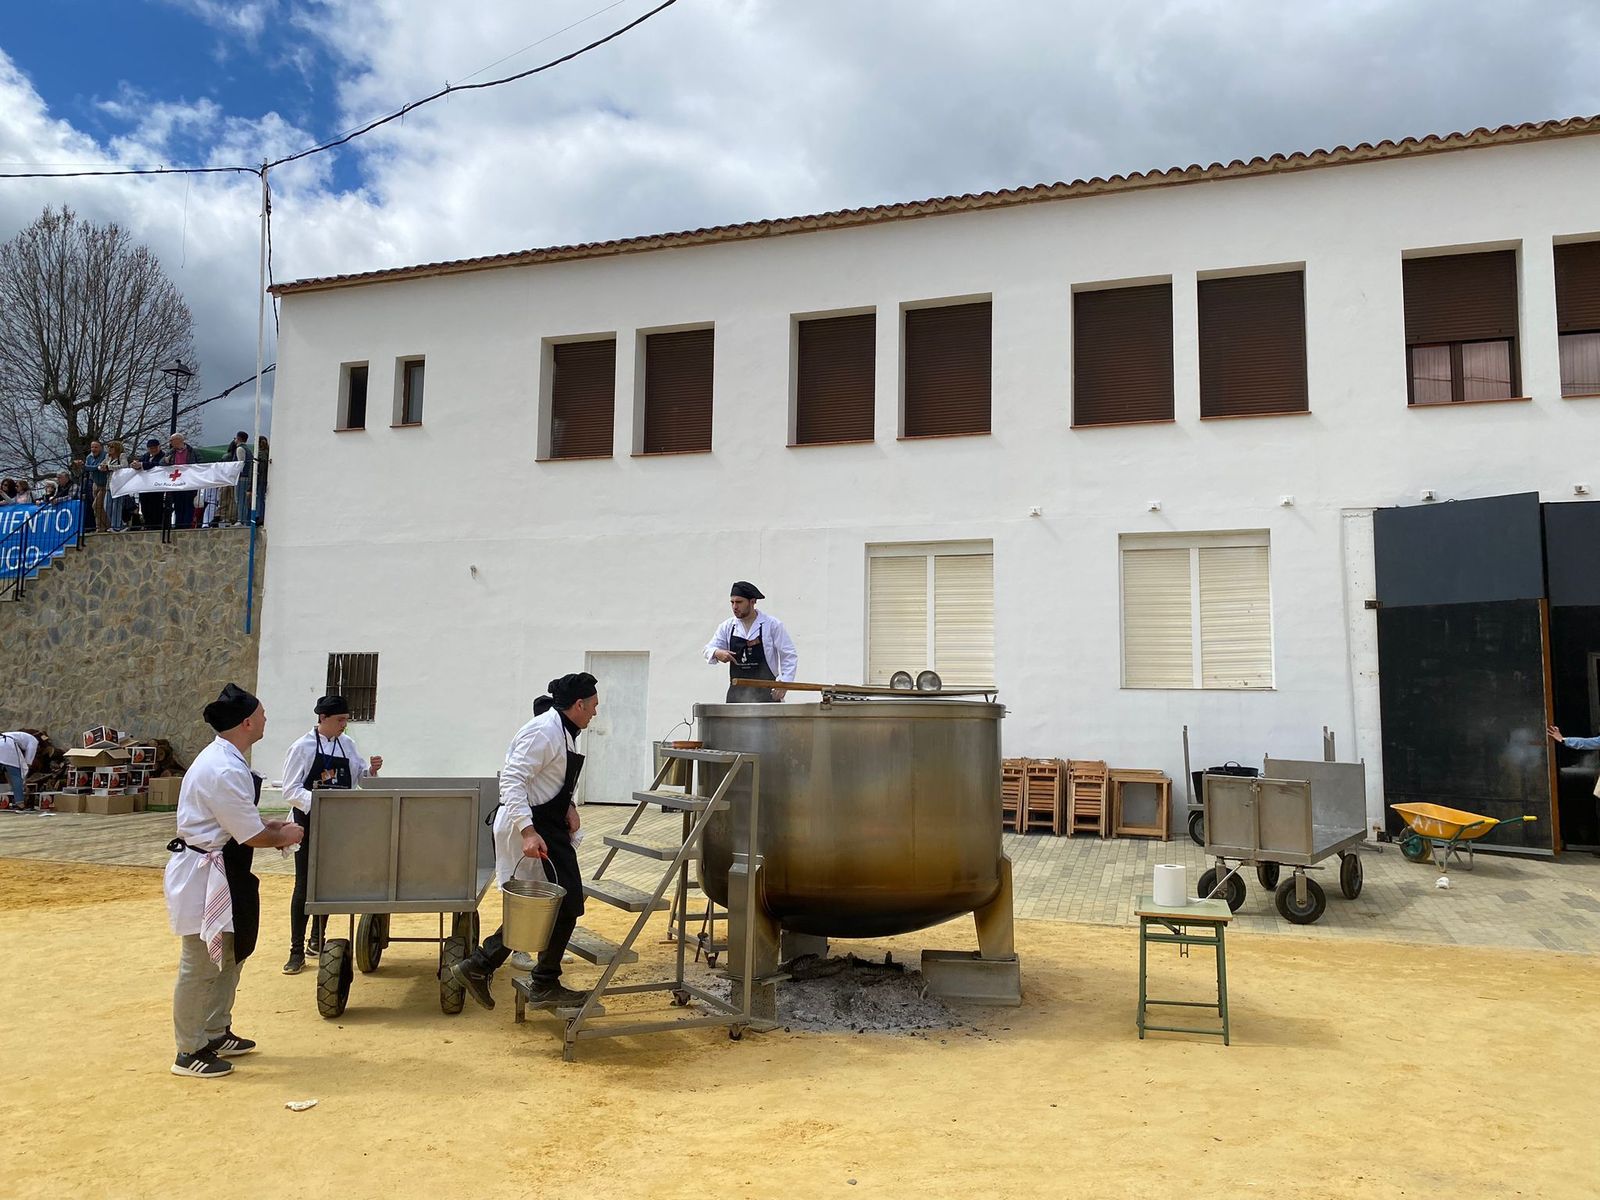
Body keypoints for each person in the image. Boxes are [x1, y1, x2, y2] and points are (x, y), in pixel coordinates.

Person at [163, 683, 302, 1078]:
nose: (265, 719)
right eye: (261, 714)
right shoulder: (222, 768)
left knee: (231, 954)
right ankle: (189, 1051)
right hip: (207, 872)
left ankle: (215, 1029)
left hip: (229, 867)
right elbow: (251, 835)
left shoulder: (229, 759)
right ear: (246, 722)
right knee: (200, 962)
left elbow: (241, 823)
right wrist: (282, 835)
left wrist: (268, 826)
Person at [451, 673, 599, 1011]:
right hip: (531, 827)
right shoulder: (543, 730)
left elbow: (546, 780)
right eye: (593, 706)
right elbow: (513, 780)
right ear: (578, 705)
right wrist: (527, 831)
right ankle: (540, 980)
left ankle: (481, 965)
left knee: (546, 906)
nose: (595, 713)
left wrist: (571, 806)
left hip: (547, 824)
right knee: (564, 902)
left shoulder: (563, 731)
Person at [278, 695, 384, 974]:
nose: (343, 726)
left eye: (346, 721)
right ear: (322, 718)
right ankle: (296, 950)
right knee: (304, 884)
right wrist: (322, 803)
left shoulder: (347, 745)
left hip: (339, 825)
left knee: (328, 883)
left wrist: (371, 771)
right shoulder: (301, 748)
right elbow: (290, 790)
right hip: (309, 823)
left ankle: (318, 937)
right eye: (339, 720)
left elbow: (359, 777)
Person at [703, 581, 797, 702]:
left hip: (767, 695)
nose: (734, 607)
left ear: (752, 602)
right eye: (732, 602)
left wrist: (784, 683)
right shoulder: (727, 626)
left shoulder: (772, 625)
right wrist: (717, 653)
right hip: (736, 696)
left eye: (739, 602)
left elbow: (789, 655)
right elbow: (708, 649)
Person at [0, 730, 40, 812]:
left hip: (2, 742)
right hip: (7, 745)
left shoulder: (17, 735)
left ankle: (16, 798)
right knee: (16, 775)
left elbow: (7, 772)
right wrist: (24, 781)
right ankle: (20, 804)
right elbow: (28, 762)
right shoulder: (34, 741)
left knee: (9, 771)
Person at [165, 433, 197, 530]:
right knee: (178, 505)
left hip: (189, 483)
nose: (170, 443)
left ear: (179, 440)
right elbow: (161, 463)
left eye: (172, 440)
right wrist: (166, 460)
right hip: (176, 483)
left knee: (188, 504)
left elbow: (200, 463)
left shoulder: (192, 451)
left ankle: (186, 526)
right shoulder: (170, 453)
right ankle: (178, 526)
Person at [222, 431, 252, 527]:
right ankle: (244, 519)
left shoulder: (240, 449)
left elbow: (240, 463)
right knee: (242, 499)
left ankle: (241, 519)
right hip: (246, 476)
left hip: (241, 477)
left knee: (239, 499)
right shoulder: (248, 449)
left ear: (238, 438)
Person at [137, 439, 164, 530]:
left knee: (156, 508)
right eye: (150, 448)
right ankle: (147, 525)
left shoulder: (163, 456)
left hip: (156, 487)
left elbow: (158, 464)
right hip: (144, 486)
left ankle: (156, 526)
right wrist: (135, 464)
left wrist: (142, 465)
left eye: (154, 447)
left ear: (158, 447)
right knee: (144, 507)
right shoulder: (145, 456)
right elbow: (139, 463)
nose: (153, 450)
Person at [85, 440, 109, 532]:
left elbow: (101, 466)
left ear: (100, 448)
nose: (93, 449)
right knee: (98, 508)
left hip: (104, 484)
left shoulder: (105, 455)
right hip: (95, 484)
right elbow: (87, 468)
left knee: (96, 506)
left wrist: (93, 467)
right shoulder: (89, 457)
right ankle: (99, 527)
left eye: (96, 447)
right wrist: (94, 467)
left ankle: (106, 525)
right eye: (92, 447)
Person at [104, 441, 128, 531]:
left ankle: (116, 526)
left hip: (118, 484)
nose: (109, 449)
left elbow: (124, 466)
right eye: (108, 447)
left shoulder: (122, 456)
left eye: (112, 447)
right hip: (109, 484)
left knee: (116, 505)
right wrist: (101, 467)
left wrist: (109, 467)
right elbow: (102, 465)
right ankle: (121, 524)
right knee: (107, 506)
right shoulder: (107, 457)